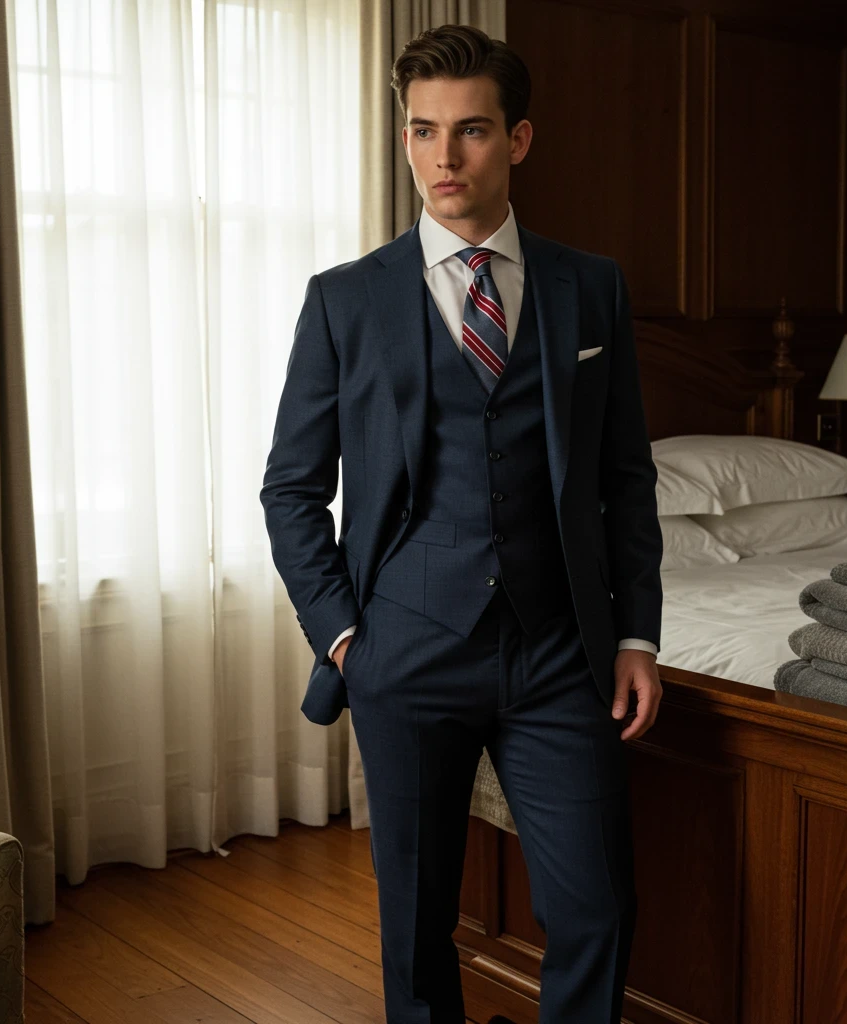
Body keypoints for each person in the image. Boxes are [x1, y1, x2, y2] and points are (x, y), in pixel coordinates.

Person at [260, 23, 663, 1024]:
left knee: (595, 908)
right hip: (403, 652)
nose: (444, 157)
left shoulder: (590, 288)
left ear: (517, 140)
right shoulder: (345, 301)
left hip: (558, 653)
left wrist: (633, 634)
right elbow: (290, 486)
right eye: (423, 131)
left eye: (471, 130)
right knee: (415, 923)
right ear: (404, 139)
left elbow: (624, 476)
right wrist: (346, 635)